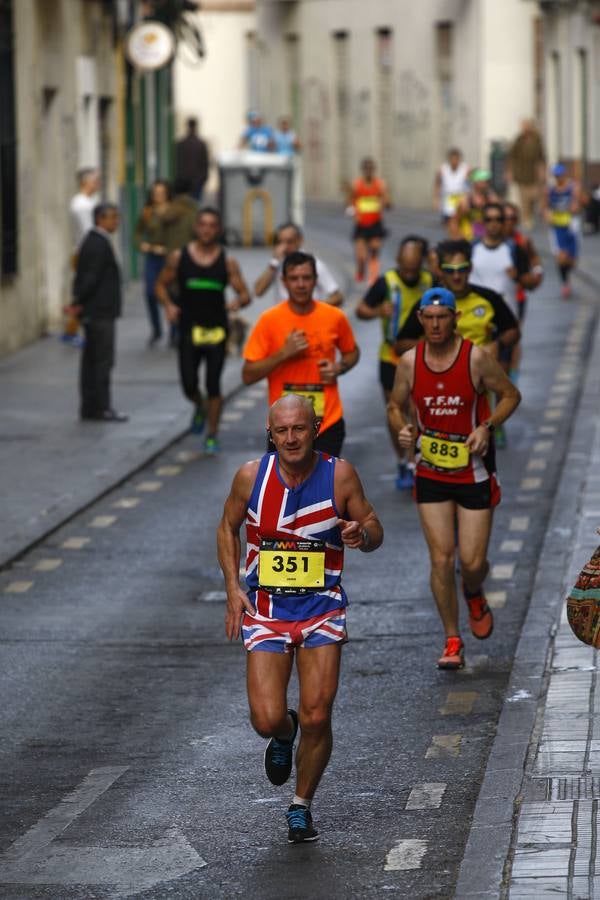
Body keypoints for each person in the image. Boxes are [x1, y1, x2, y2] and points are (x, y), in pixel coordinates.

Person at [217, 394, 383, 843]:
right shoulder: (251, 477)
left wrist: (360, 533)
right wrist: (234, 587)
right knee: (266, 719)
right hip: (268, 609)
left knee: (317, 715)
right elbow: (226, 526)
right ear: (270, 434)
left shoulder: (340, 475)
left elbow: (374, 530)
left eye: (299, 429)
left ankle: (301, 804)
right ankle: (282, 734)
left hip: (322, 608)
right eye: (282, 431)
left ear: (316, 428)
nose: (291, 438)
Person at [388, 288, 521, 669]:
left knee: (472, 561)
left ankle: (474, 588)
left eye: (442, 317)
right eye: (428, 318)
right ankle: (451, 638)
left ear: (454, 317)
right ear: (420, 320)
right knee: (442, 559)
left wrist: (487, 426)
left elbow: (511, 395)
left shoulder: (476, 358)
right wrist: (403, 430)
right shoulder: (410, 363)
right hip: (431, 472)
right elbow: (395, 406)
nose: (434, 324)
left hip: (474, 471)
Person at [242, 251, 359, 458]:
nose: (301, 284)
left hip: (327, 423)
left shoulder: (334, 317)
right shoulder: (269, 320)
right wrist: (283, 354)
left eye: (306, 278)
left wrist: (339, 368)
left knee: (323, 490)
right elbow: (248, 375)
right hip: (283, 427)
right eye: (294, 279)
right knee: (287, 490)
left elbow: (352, 352)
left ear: (316, 281)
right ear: (284, 282)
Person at [155, 207, 251, 454]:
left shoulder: (227, 261)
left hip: (217, 330)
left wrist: (237, 302)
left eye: (212, 225)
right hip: (188, 329)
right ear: (196, 228)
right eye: (203, 224)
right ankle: (199, 405)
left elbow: (245, 294)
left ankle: (212, 434)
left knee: (214, 384)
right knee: (188, 383)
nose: (207, 229)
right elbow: (160, 286)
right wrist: (168, 306)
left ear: (217, 230)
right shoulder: (179, 257)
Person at [356, 236, 432, 489]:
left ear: (422, 261)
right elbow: (360, 310)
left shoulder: (430, 282)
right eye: (406, 266)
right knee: (395, 411)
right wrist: (379, 311)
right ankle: (403, 460)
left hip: (424, 357)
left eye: (415, 266)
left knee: (417, 410)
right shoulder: (386, 282)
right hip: (391, 357)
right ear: (398, 259)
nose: (410, 272)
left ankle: (416, 461)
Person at [396, 240, 520, 359]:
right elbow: (400, 345)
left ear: (470, 268)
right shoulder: (428, 303)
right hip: (440, 373)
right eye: (450, 270)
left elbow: (513, 331)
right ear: (440, 271)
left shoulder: (489, 298)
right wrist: (431, 347)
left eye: (462, 269)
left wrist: (498, 345)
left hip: (479, 371)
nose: (456, 276)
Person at [73, 203, 128, 423]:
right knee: (102, 361)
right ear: (100, 219)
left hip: (96, 310)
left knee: (92, 360)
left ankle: (90, 406)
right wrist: (78, 301)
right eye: (113, 218)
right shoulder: (97, 244)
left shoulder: (95, 241)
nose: (116, 222)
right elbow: (90, 278)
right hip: (99, 312)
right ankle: (101, 407)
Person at [253, 222, 343, 307]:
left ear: (300, 241)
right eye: (280, 242)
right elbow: (258, 291)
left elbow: (337, 297)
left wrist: (313, 310)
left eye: (289, 242)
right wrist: (273, 262)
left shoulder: (314, 265)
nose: (284, 247)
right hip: (284, 320)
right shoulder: (277, 265)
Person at [64, 168, 101, 346]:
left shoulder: (85, 202)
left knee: (84, 290)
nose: (97, 184)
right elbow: (88, 232)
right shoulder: (82, 205)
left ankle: (74, 330)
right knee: (84, 291)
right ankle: (72, 330)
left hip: (81, 252)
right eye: (94, 181)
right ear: (85, 182)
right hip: (83, 253)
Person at [133, 179, 172, 346]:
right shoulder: (148, 212)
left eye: (162, 193)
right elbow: (137, 233)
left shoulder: (174, 211)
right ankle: (156, 329)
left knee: (172, 293)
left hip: (169, 258)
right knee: (150, 293)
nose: (159, 197)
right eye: (156, 194)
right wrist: (143, 245)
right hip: (153, 257)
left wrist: (168, 249)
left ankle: (174, 331)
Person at [542, 163, 583, 299]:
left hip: (571, 226)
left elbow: (579, 204)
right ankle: (565, 284)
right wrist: (547, 214)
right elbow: (545, 206)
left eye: (560, 175)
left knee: (571, 260)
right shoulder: (550, 190)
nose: (558, 178)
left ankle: (568, 276)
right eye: (556, 175)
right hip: (557, 227)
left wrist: (575, 206)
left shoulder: (573, 187)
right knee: (561, 257)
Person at [347, 158, 391, 284]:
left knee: (375, 250)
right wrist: (353, 212)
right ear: (363, 170)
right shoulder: (356, 185)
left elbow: (388, 202)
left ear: (373, 170)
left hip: (375, 223)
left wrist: (385, 202)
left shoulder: (380, 184)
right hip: (361, 224)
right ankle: (360, 270)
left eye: (370, 169)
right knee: (361, 256)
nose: (368, 171)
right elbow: (349, 201)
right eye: (366, 169)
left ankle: (373, 277)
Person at [506, 119, 546, 231]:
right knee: (524, 199)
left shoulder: (537, 139)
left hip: (533, 173)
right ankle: (526, 218)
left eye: (526, 126)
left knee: (533, 196)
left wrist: (542, 171)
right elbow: (511, 156)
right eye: (523, 126)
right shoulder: (518, 139)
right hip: (521, 173)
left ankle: (531, 215)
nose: (525, 128)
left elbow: (541, 156)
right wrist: (509, 171)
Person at [451, 169, 499, 242]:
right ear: (475, 182)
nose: (486, 184)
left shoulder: (492, 200)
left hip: (486, 240)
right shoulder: (465, 201)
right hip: (468, 239)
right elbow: (453, 222)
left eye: (487, 181)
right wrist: (458, 237)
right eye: (483, 181)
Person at [433, 148, 470, 232]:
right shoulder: (443, 169)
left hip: (461, 198)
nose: (454, 161)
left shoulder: (466, 169)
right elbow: (437, 184)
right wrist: (436, 199)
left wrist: (467, 199)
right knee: (448, 222)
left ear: (459, 159)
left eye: (456, 159)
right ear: (449, 159)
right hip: (447, 198)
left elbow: (470, 185)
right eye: (452, 159)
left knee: (461, 223)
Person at [175, 118, 209, 203]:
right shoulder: (200, 144)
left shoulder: (182, 144)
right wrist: (202, 179)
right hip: (193, 182)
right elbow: (205, 163)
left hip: (186, 182)